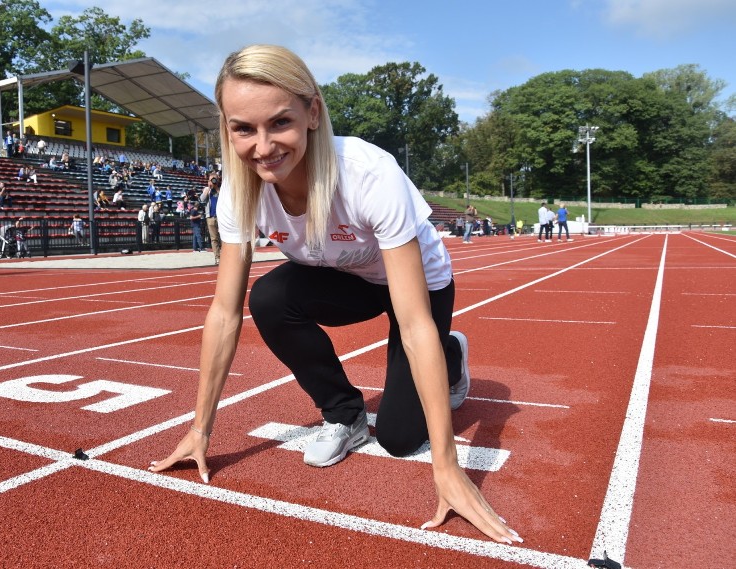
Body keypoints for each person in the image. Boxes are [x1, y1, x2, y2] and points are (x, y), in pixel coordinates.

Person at [147, 45, 521, 546]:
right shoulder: (240, 190)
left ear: (312, 113)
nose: (262, 147)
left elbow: (411, 324)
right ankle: (344, 414)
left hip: (413, 286)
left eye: (279, 122)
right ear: (225, 127)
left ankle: (451, 352)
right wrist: (200, 429)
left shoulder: (367, 172)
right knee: (269, 299)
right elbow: (224, 311)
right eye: (243, 129)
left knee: (402, 439)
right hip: (342, 278)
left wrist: (449, 469)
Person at [200, 175, 222, 264]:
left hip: (221, 217)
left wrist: (216, 187)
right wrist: (209, 188)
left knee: (224, 238)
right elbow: (202, 199)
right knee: (214, 238)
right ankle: (217, 258)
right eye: (211, 179)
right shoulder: (207, 190)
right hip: (211, 217)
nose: (213, 181)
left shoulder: (221, 189)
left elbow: (226, 198)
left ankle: (226, 256)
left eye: (214, 179)